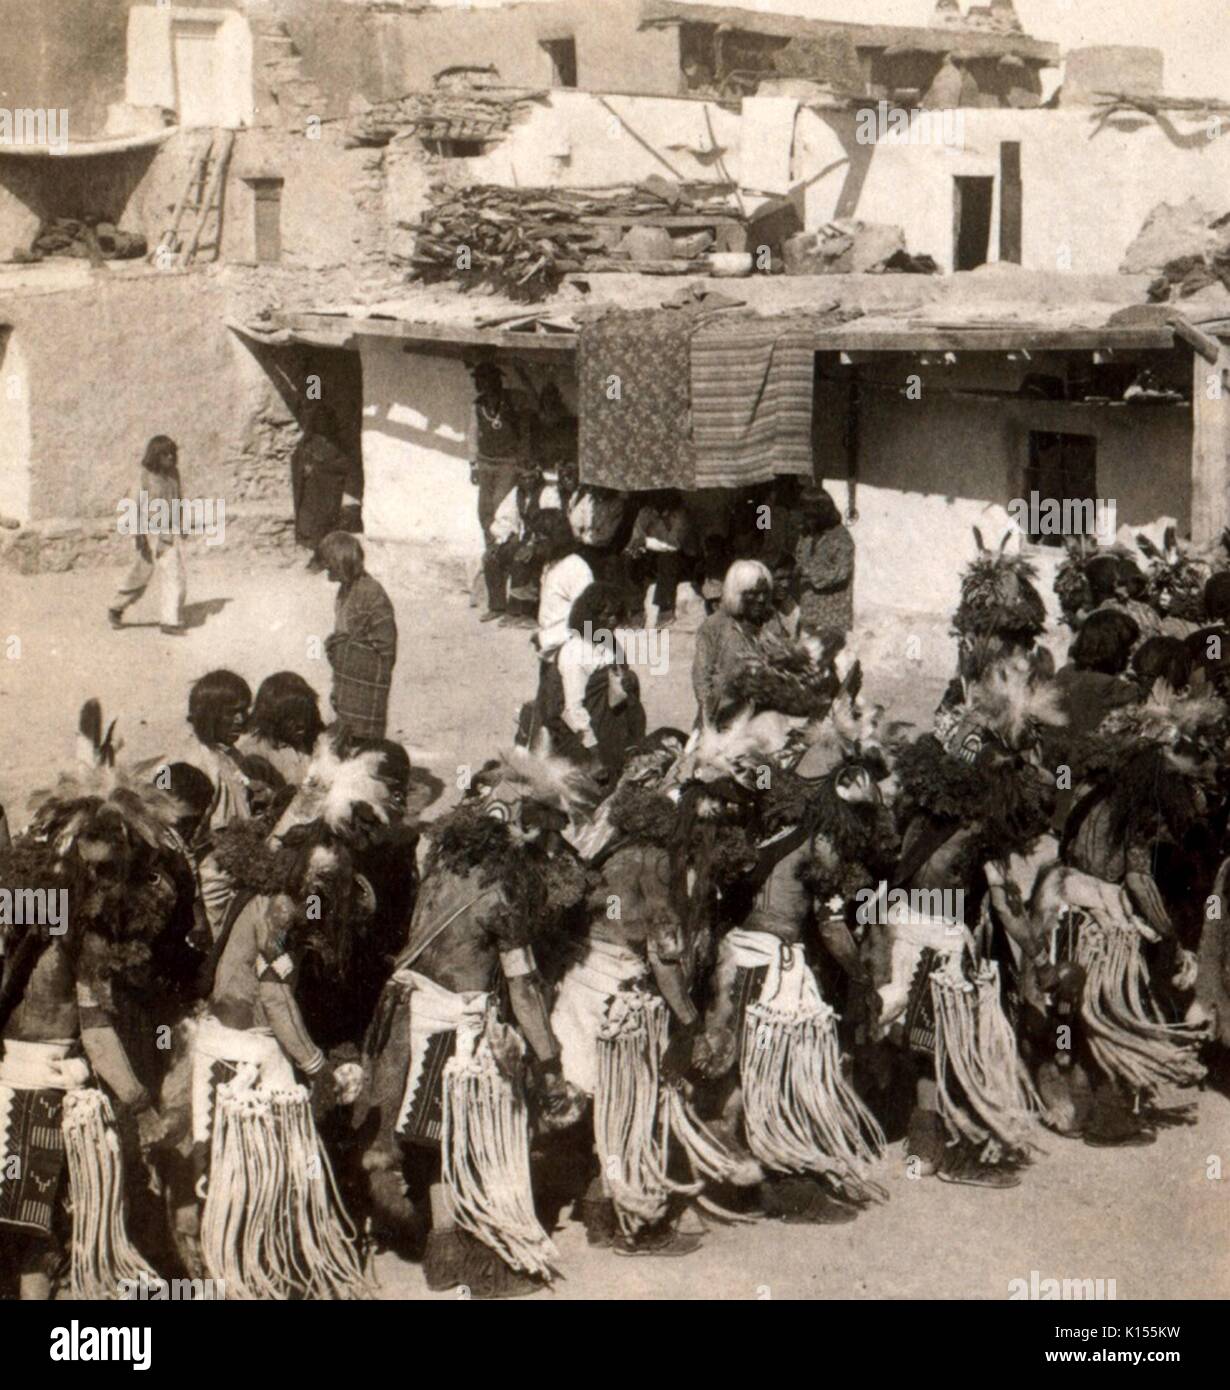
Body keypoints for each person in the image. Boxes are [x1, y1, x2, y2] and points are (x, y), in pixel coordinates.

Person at [357, 748, 591, 1298]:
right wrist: (549, 1059)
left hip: (411, 1018)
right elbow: (523, 985)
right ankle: (488, 1261)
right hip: (460, 1027)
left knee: (434, 1140)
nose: (542, 845)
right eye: (536, 832)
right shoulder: (503, 894)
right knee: (483, 1137)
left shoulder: (442, 865)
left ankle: (442, 1251)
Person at [549, 583, 646, 778]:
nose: (612, 621)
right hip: (585, 727)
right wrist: (593, 750)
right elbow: (572, 709)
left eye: (615, 615)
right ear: (589, 616)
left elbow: (621, 676)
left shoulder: (608, 641)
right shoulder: (575, 652)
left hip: (611, 716)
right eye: (605, 615)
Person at [320, 532, 398, 741]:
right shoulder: (346, 589)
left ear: (341, 562)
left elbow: (385, 648)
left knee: (362, 737)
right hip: (348, 675)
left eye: (329, 562)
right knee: (346, 733)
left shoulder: (370, 593)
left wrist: (345, 649)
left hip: (366, 680)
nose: (325, 567)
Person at [108, 434, 188, 636]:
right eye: (165, 454)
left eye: (172, 454)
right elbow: (132, 506)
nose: (170, 458)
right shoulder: (143, 476)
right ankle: (117, 607)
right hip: (148, 531)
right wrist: (139, 535)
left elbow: (178, 499)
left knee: (175, 574)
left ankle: (170, 621)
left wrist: (182, 524)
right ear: (155, 455)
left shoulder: (174, 474)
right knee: (141, 574)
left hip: (168, 532)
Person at [470, 362, 528, 616]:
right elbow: (472, 433)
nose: (481, 384)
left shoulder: (511, 403)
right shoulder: (477, 406)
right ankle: (492, 554)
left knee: (499, 510)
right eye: (479, 380)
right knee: (484, 512)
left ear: (497, 381)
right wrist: (473, 463)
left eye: (486, 379)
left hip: (507, 463)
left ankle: (501, 556)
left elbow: (524, 429)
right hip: (486, 463)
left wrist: (522, 460)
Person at [691, 559, 775, 727]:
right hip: (721, 720)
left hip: (759, 718)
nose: (760, 599)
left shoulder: (770, 624)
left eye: (764, 593)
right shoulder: (714, 626)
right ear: (737, 592)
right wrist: (709, 717)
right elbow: (701, 677)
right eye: (753, 593)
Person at [291, 402, 362, 571]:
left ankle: (320, 559)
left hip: (327, 494)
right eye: (318, 421)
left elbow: (343, 465)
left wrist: (319, 467)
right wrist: (304, 466)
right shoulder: (309, 440)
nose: (321, 424)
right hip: (310, 493)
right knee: (309, 526)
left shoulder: (335, 445)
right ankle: (316, 556)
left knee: (323, 526)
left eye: (324, 421)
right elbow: (297, 457)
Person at [238, 671, 326, 786]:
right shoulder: (253, 752)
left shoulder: (314, 743)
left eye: (304, 713)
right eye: (291, 716)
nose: (301, 723)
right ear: (272, 716)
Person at [625, 491, 697, 629]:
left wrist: (646, 541)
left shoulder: (680, 515)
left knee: (668, 559)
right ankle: (636, 609)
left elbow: (673, 544)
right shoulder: (646, 513)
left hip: (682, 558)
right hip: (654, 555)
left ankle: (665, 609)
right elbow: (636, 538)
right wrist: (638, 548)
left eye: (662, 496)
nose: (658, 500)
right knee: (630, 558)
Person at [794, 486, 855, 642]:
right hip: (809, 611)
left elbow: (841, 572)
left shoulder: (841, 538)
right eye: (806, 516)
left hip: (831, 617)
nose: (808, 521)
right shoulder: (807, 535)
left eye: (812, 517)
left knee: (826, 661)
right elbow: (800, 559)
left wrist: (808, 573)